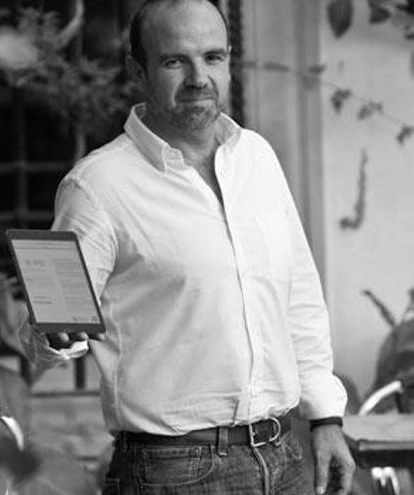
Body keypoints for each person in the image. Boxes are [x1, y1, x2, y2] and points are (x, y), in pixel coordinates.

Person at [18, 0, 356, 493]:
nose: (199, 78)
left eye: (213, 57)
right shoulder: (98, 187)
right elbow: (42, 336)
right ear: (138, 71)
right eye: (175, 61)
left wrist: (325, 418)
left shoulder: (257, 157)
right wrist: (54, 333)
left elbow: (298, 297)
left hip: (284, 457)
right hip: (175, 471)